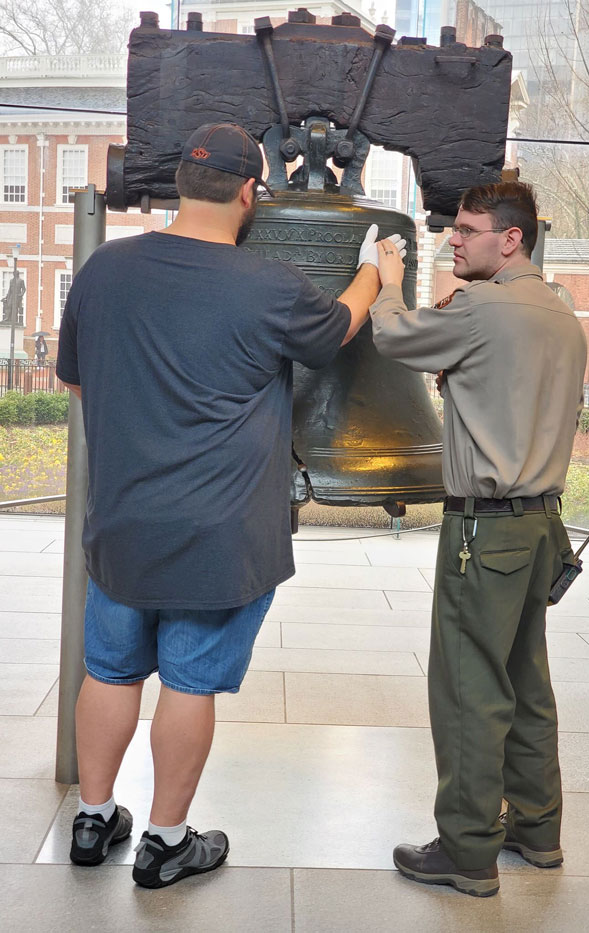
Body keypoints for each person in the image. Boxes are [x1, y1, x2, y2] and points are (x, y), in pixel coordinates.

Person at [56, 122, 402, 888]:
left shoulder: (104, 270)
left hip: (122, 525)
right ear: (250, 191)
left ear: (183, 182)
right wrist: (373, 271)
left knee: (109, 670)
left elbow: (78, 382)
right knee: (188, 683)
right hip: (219, 532)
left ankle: (92, 818)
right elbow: (338, 328)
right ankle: (166, 842)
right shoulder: (268, 285)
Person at [369, 181, 587, 897]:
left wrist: (388, 281)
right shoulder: (560, 312)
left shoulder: (481, 308)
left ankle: (466, 851)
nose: (454, 240)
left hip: (483, 530)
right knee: (527, 683)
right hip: (541, 526)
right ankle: (538, 831)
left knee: (469, 689)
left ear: (511, 238)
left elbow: (392, 337)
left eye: (467, 229)